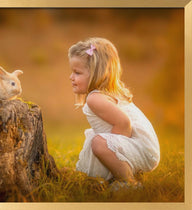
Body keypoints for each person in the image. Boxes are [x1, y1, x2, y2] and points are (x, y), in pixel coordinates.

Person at [68, 37, 160, 187]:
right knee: (95, 138)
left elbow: (124, 124)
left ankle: (128, 182)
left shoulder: (95, 98)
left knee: (99, 142)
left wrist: (113, 151)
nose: (71, 77)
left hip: (141, 148)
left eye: (77, 73)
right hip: (145, 148)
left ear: (96, 74)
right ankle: (124, 172)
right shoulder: (106, 93)